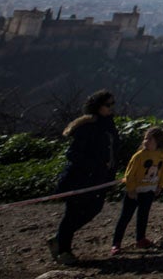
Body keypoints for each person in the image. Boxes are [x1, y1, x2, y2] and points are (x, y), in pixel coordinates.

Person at [47, 89, 120, 265]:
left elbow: (113, 151)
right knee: (72, 213)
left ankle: (59, 239)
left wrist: (109, 174)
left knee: (95, 208)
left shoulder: (109, 125)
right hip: (80, 178)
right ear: (98, 106)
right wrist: (94, 165)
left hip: (100, 178)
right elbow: (72, 154)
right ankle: (64, 251)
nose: (111, 107)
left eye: (112, 104)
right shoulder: (87, 126)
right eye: (108, 104)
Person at [110, 126, 163, 254]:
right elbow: (129, 174)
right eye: (145, 138)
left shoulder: (162, 155)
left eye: (150, 139)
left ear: (158, 141)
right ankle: (116, 243)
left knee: (143, 215)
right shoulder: (139, 156)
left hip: (149, 191)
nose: (146, 141)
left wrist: (160, 186)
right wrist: (131, 190)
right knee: (125, 217)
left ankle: (140, 239)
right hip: (135, 191)